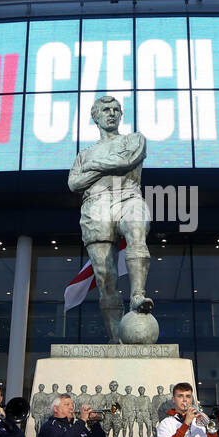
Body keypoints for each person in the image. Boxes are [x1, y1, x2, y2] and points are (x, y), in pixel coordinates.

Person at [67, 94, 152, 339]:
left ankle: (138, 295)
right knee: (105, 277)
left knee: (137, 231)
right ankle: (116, 336)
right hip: (96, 206)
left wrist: (93, 168)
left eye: (116, 109)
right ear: (95, 117)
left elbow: (127, 161)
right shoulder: (84, 154)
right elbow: (74, 184)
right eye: (106, 110)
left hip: (128, 196)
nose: (112, 113)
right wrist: (110, 165)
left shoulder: (134, 139)